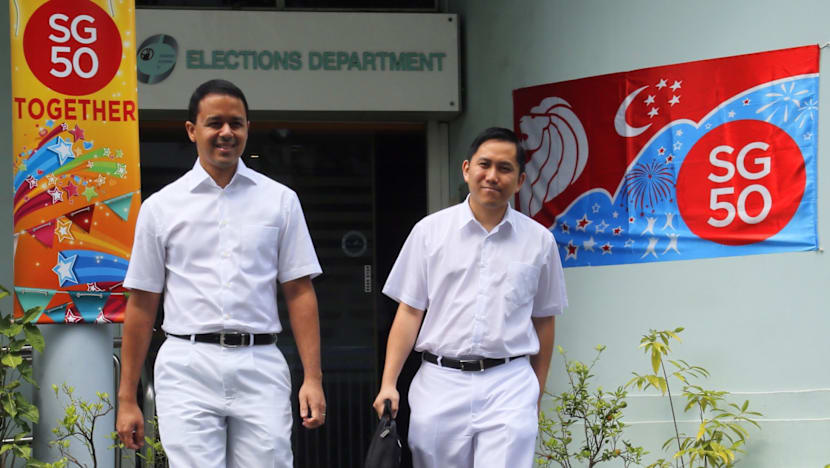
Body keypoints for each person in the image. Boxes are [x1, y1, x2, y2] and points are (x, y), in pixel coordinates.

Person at [116, 79, 325, 467]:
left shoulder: (280, 201)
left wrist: (312, 378)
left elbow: (299, 292)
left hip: (260, 361)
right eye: (215, 123)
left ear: (247, 128)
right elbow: (142, 303)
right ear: (192, 130)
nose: (226, 132)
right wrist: (128, 397)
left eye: (237, 123)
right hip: (186, 363)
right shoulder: (161, 207)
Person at [372, 127, 567, 467]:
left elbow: (544, 319)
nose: (492, 176)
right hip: (440, 381)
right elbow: (409, 312)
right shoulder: (429, 232)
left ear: (519, 181)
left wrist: (537, 389)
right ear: (466, 169)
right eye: (484, 164)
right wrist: (389, 382)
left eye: (505, 169)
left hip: (509, 382)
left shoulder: (539, 241)